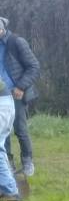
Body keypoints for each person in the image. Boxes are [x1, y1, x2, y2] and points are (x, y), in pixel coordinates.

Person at [0, 17, 40, 177]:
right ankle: (8, 163)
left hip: (16, 93)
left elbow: (34, 67)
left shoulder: (17, 42)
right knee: (3, 131)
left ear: (1, 29)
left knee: (20, 129)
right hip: (1, 94)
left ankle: (27, 161)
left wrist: (21, 86)